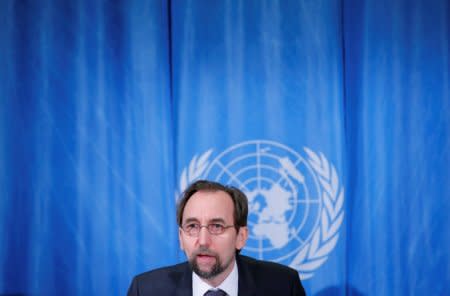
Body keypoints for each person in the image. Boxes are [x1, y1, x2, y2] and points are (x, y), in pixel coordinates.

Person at [127, 180, 306, 296]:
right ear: (181, 238)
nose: (203, 241)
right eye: (192, 227)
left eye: (217, 226)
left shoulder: (283, 286)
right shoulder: (145, 290)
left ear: (241, 237)